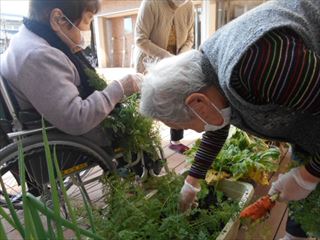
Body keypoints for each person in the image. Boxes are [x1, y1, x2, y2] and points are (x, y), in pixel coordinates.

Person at [140, 0, 320, 239]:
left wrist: (308, 175)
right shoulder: (207, 72)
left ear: (197, 103)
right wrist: (193, 180)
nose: (200, 131)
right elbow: (216, 122)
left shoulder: (256, 63)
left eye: (189, 126)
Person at [0, 0, 142, 146]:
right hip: (60, 141)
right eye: (87, 21)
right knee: (133, 133)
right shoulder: (39, 56)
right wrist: (120, 88)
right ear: (58, 19)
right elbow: (76, 119)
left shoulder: (29, 40)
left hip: (46, 129)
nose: (88, 30)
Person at [135, 0, 195, 154]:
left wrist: (180, 58)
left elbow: (190, 38)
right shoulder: (150, 4)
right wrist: (167, 57)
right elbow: (140, 39)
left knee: (179, 98)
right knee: (145, 102)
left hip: (175, 61)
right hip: (150, 61)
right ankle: (144, 143)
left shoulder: (188, 6)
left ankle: (175, 140)